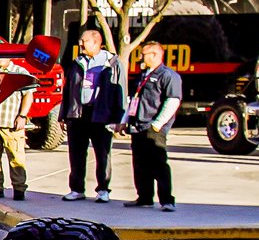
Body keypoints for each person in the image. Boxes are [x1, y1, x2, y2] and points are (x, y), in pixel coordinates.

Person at [62, 26, 122, 201]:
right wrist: (64, 114)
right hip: (79, 114)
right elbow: (68, 90)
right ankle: (77, 189)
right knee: (76, 153)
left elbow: (120, 91)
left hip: (101, 114)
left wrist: (118, 118)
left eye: (84, 41)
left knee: (102, 154)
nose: (81, 44)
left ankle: (103, 189)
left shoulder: (111, 63)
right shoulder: (77, 62)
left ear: (96, 42)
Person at [124, 42, 184, 211]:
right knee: (140, 164)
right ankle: (144, 197)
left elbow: (172, 101)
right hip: (138, 125)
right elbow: (133, 100)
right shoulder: (143, 75)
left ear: (155, 55)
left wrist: (158, 123)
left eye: (144, 54)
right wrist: (125, 120)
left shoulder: (168, 76)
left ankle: (166, 200)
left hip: (153, 127)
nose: (141, 58)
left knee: (158, 163)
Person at [0, 76, 33, 200]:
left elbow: (28, 95)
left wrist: (22, 116)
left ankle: (19, 189)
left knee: (16, 158)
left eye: (1, 56)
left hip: (11, 124)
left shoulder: (19, 73)